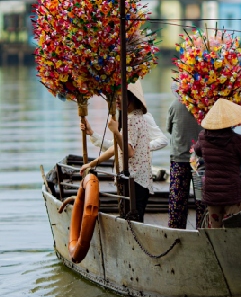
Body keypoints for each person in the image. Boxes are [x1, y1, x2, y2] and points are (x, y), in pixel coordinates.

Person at [80, 81, 153, 222]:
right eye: (116, 96)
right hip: (138, 181)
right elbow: (117, 148)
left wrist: (115, 131)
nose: (117, 100)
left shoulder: (132, 121)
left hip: (134, 181)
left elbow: (129, 152)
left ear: (132, 98)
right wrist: (93, 163)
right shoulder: (134, 117)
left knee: (133, 224)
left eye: (121, 96)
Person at [194, 99, 241, 228]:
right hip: (232, 192)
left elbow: (198, 151)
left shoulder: (203, 137)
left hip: (212, 192)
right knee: (234, 229)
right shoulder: (236, 140)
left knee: (215, 229)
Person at [166, 82, 204, 229]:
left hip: (179, 158)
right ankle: (203, 228)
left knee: (178, 199)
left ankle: (176, 229)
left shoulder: (175, 105)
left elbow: (169, 129)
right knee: (201, 199)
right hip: (201, 159)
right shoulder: (203, 104)